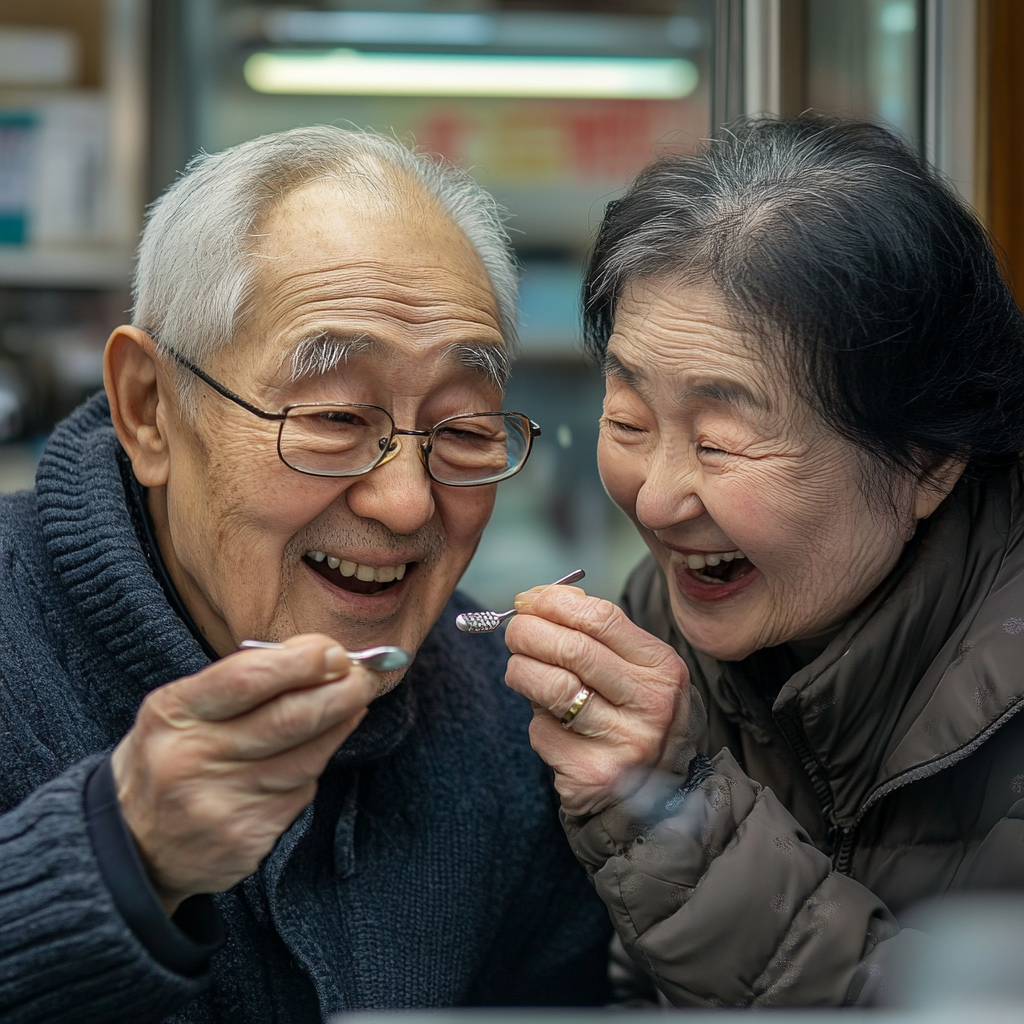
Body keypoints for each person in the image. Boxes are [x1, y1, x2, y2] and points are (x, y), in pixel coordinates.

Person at [0, 126, 611, 1023]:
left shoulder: (509, 727)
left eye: (465, 430)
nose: (406, 503)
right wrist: (119, 854)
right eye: (332, 417)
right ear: (149, 410)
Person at [504, 115, 1024, 1008]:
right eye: (627, 421)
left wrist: (675, 806)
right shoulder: (666, 625)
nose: (658, 500)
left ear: (930, 461)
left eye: (723, 440)